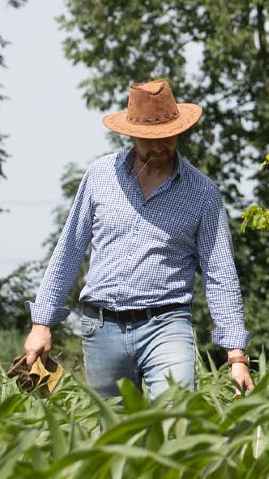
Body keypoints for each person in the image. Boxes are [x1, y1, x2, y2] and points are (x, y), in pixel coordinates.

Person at [22, 79, 254, 396]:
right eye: (149, 139)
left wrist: (236, 355)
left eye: (166, 137)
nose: (158, 146)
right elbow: (69, 249)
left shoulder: (202, 192)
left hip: (167, 325)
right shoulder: (100, 176)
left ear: (178, 131)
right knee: (115, 426)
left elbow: (220, 272)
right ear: (131, 134)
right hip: (101, 327)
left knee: (174, 416)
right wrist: (41, 323)